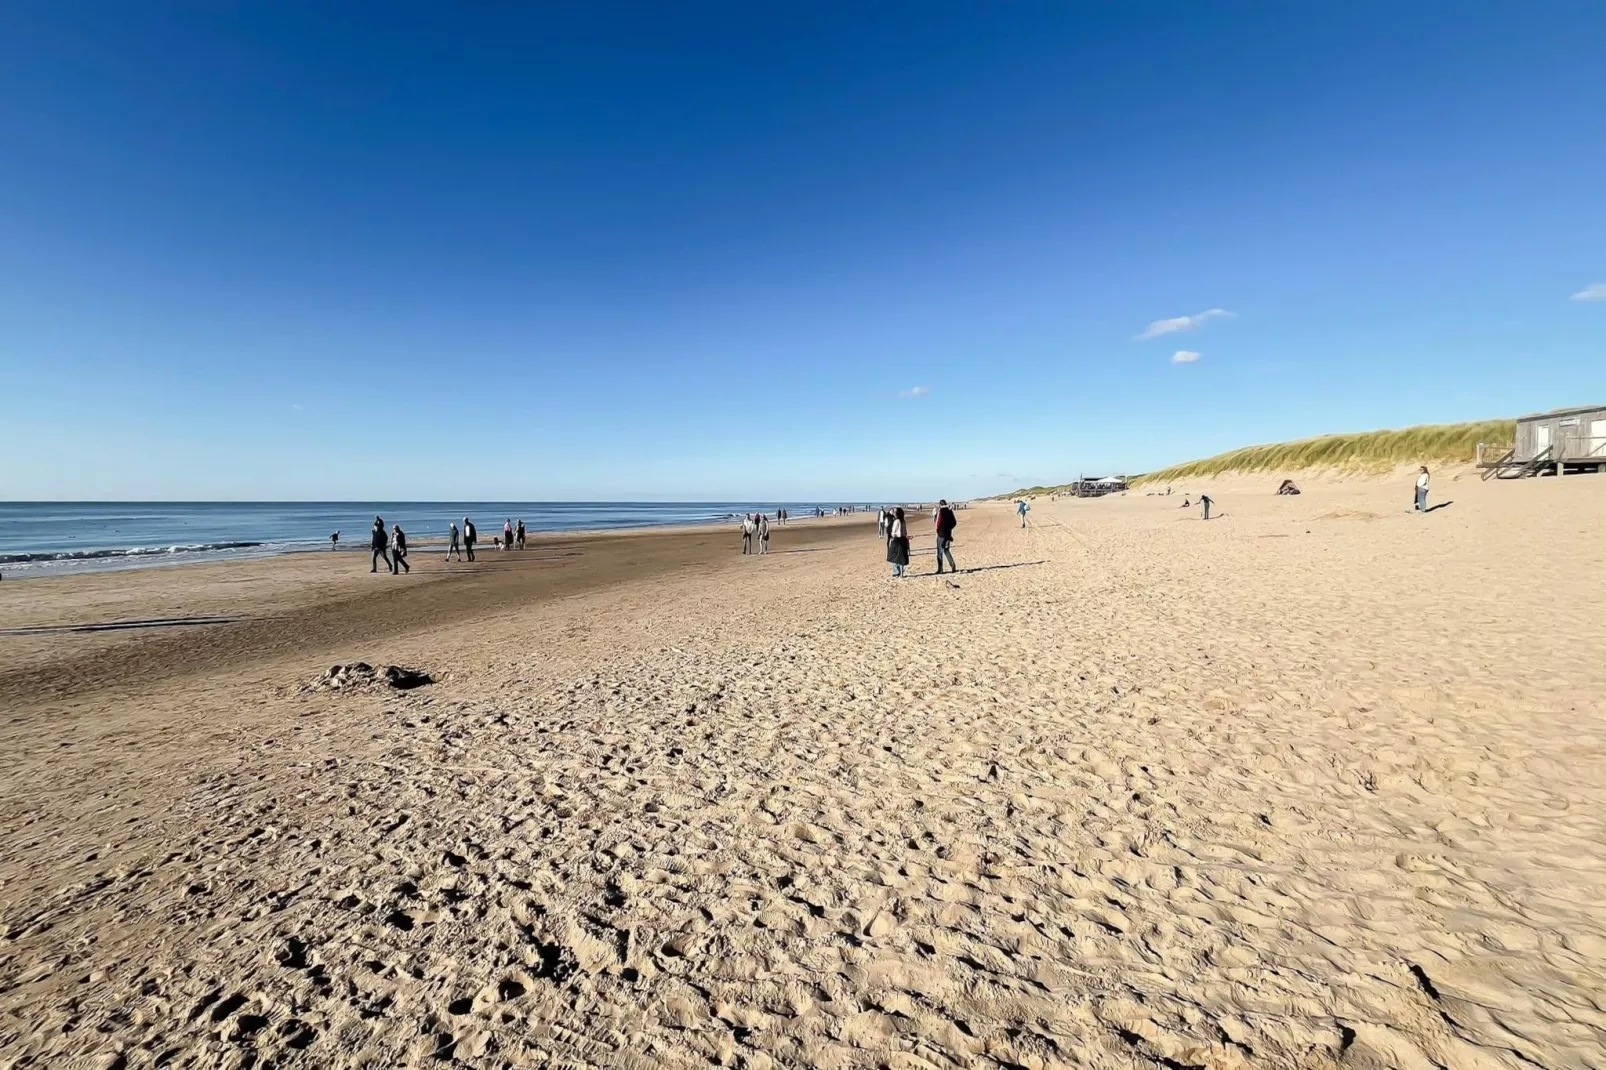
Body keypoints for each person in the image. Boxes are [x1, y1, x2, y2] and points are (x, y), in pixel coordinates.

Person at [934, 499, 958, 574]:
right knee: (946, 549)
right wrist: (949, 528)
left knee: (940, 551)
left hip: (941, 534)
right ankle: (952, 563)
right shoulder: (950, 511)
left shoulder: (941, 511)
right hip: (948, 533)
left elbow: (938, 522)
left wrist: (938, 530)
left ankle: (940, 569)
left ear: (940, 505)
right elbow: (954, 522)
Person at [887, 507, 910, 578]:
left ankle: (896, 571)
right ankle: (901, 573)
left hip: (897, 540)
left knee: (894, 555)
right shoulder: (903, 521)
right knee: (901, 556)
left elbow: (893, 532)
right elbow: (905, 532)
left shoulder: (896, 521)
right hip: (903, 539)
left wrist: (893, 536)